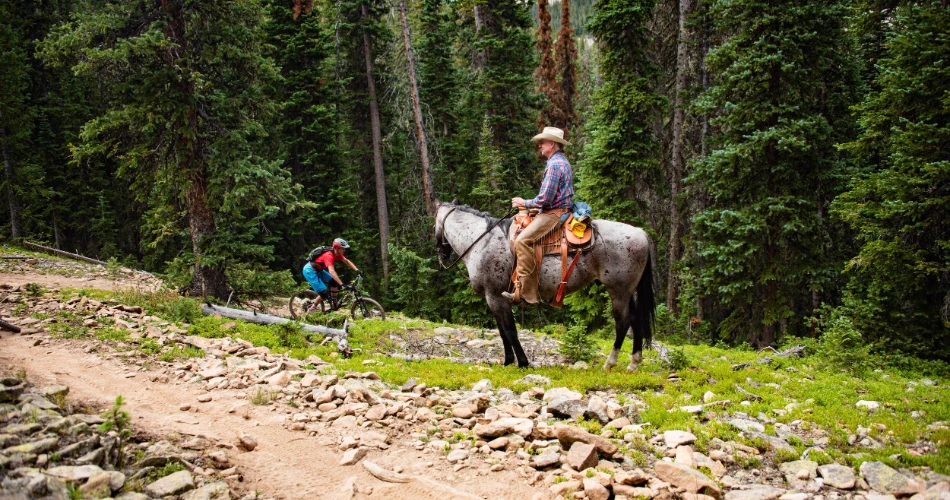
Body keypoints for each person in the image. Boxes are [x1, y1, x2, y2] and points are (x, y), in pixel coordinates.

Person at [502, 126, 574, 304]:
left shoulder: (554, 165)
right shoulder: (560, 161)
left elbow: (545, 199)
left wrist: (524, 203)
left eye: (542, 142)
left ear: (552, 144)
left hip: (554, 214)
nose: (540, 145)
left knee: (522, 240)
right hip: (556, 209)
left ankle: (527, 294)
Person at [302, 238, 361, 310]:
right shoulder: (329, 255)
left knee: (334, 282)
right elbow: (332, 271)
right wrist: (342, 284)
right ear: (337, 248)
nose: (344, 250)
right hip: (309, 271)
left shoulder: (337, 253)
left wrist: (357, 270)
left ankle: (334, 303)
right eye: (343, 248)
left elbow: (347, 261)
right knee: (324, 294)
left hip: (319, 270)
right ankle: (312, 308)